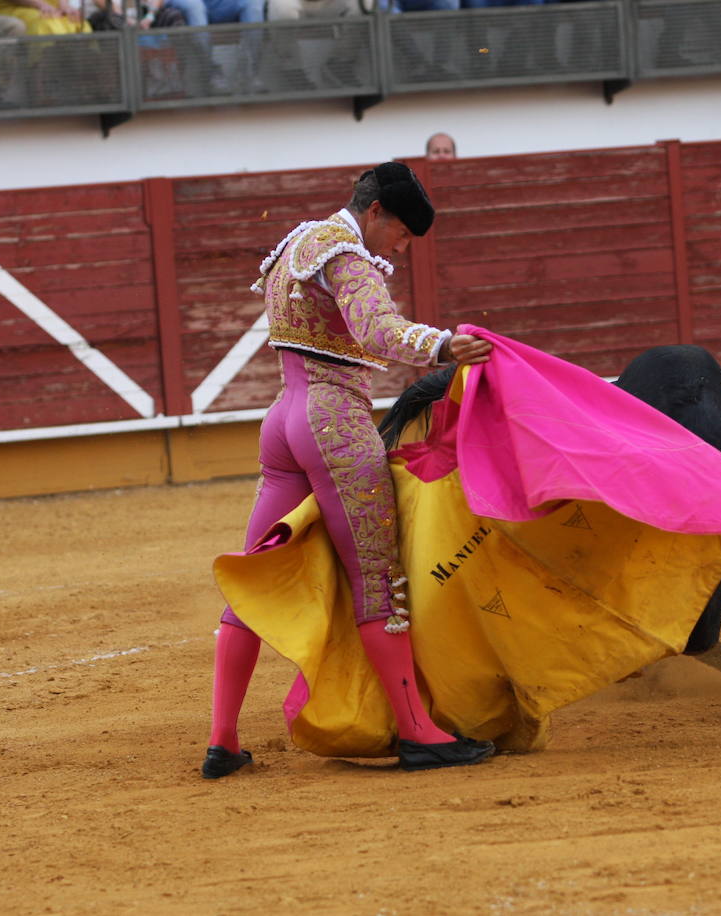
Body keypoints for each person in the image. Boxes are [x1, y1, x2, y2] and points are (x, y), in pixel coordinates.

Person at [202, 161, 497, 779]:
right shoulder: (345, 252)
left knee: (256, 575)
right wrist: (442, 346)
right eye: (402, 234)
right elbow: (377, 329)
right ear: (375, 213)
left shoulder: (299, 242)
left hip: (283, 420)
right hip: (333, 423)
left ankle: (223, 741)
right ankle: (418, 732)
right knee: (378, 579)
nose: (400, 247)